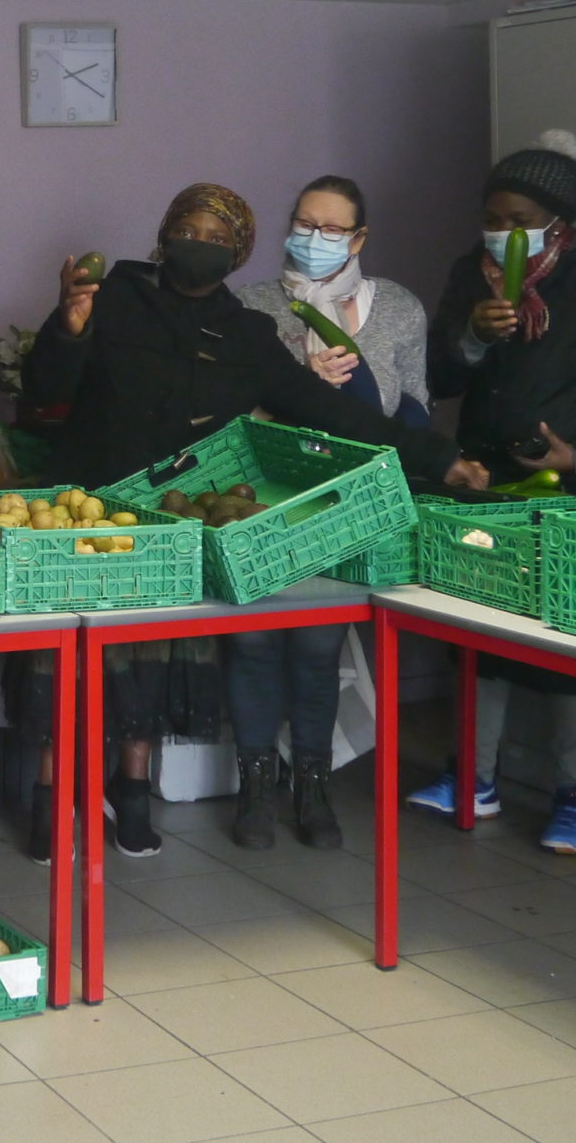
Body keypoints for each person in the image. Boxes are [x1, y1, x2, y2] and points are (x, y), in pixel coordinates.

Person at [22, 183, 484, 860]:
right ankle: (47, 796)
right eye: (187, 229)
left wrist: (438, 457)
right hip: (87, 512)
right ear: (164, 231)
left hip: (176, 529)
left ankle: (131, 791)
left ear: (238, 252)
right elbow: (44, 391)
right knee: (66, 663)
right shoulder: (114, 296)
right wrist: (68, 326)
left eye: (216, 239)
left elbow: (339, 415)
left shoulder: (248, 336)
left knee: (150, 665)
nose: (198, 245)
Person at [407, 132, 576, 855]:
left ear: (558, 225)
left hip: (573, 493)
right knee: (478, 638)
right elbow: (437, 375)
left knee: (570, 647)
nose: (501, 229)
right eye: (492, 215)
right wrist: (469, 335)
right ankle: (474, 776)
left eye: (517, 216)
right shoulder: (475, 275)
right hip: (487, 486)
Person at [230, 176, 429, 850]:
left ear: (359, 238)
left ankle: (311, 784)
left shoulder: (397, 308)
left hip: (346, 507)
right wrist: (300, 386)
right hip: (263, 503)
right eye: (304, 223)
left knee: (318, 648)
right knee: (252, 642)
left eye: (332, 229)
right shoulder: (252, 304)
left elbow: (415, 407)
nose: (314, 239)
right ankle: (254, 784)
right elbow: (231, 411)